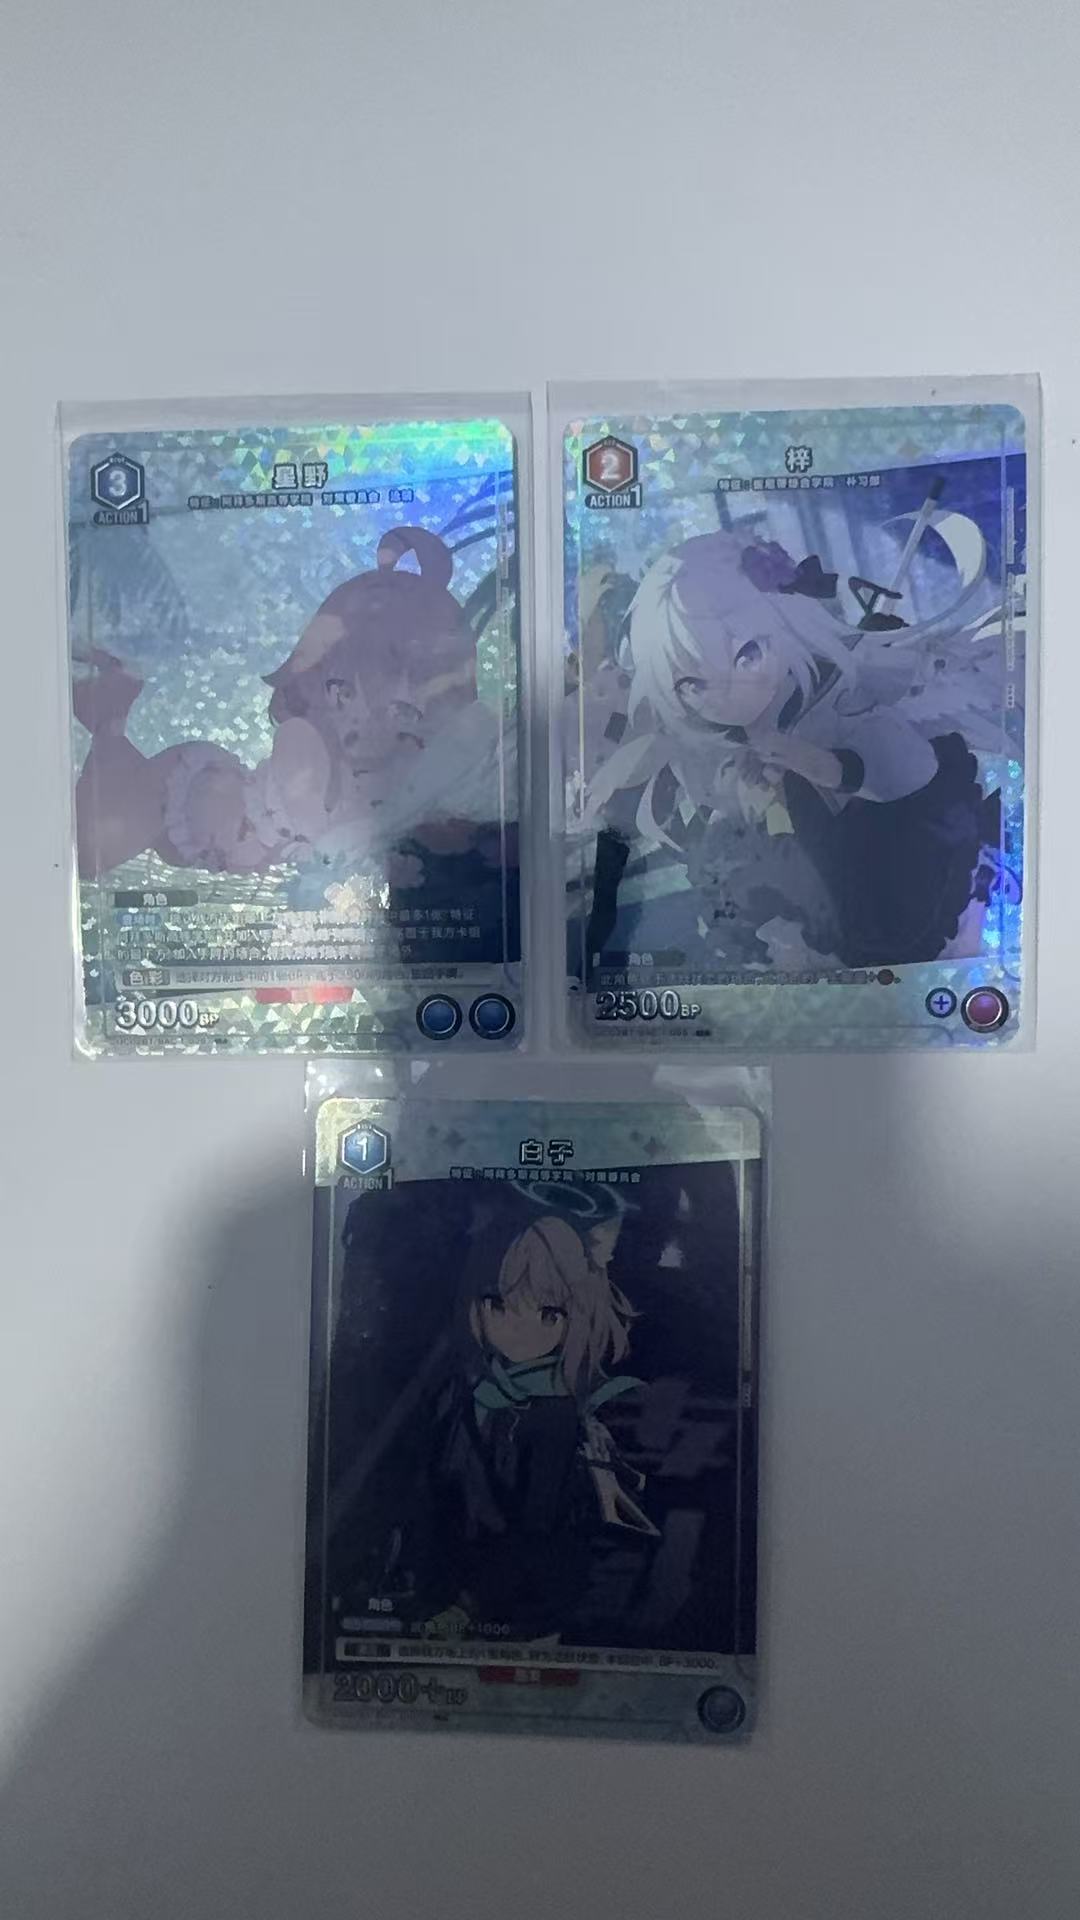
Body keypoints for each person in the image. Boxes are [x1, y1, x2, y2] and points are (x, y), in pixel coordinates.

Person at [74, 526, 495, 880]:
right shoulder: (304, 748)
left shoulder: (420, 775)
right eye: (345, 694)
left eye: (408, 717)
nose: (379, 726)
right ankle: (110, 723)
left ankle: (110, 723)